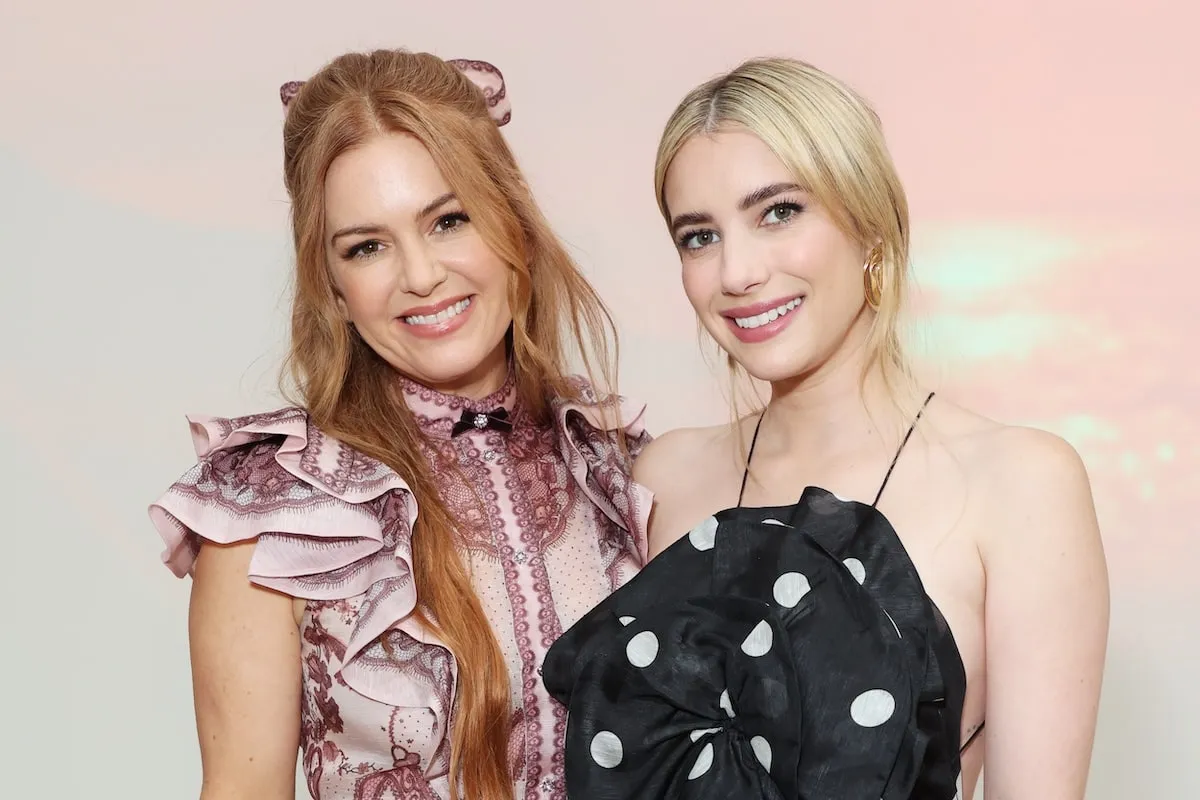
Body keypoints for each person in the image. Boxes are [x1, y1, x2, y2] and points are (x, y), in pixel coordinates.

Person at [542, 57, 1108, 799]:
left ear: (869, 224)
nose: (737, 271)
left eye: (778, 211)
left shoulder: (1021, 483)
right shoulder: (664, 476)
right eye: (699, 236)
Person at [148, 49, 651, 800]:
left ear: (512, 221)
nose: (420, 275)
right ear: (334, 288)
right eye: (368, 247)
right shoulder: (272, 518)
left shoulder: (616, 468)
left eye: (449, 220)